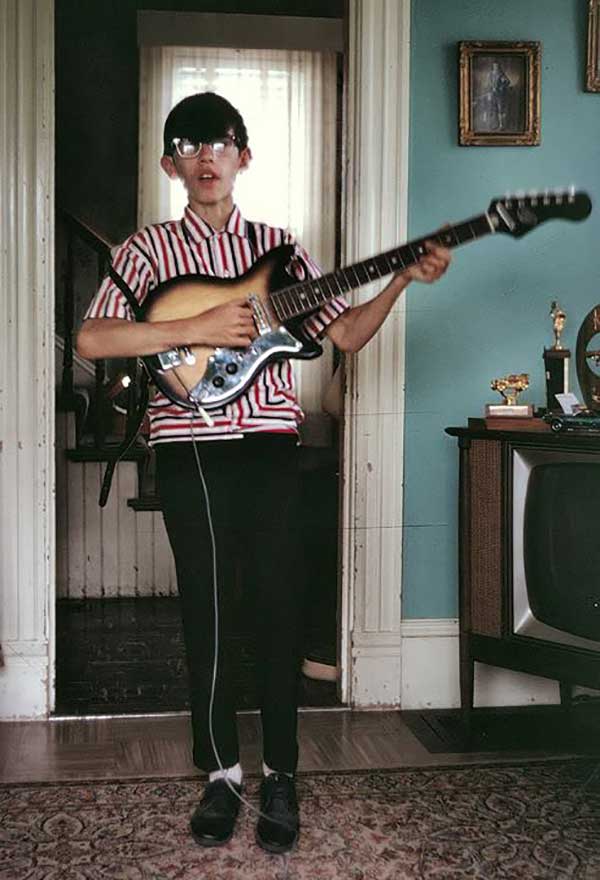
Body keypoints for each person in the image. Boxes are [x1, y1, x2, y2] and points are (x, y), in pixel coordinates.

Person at [77, 92, 451, 854]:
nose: (206, 155)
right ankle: (220, 776)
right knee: (208, 616)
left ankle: (281, 774)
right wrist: (195, 327)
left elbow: (345, 331)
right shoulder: (146, 252)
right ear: (170, 163)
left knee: (280, 609)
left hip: (273, 449)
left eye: (220, 141)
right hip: (192, 454)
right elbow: (92, 336)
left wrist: (403, 279)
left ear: (243, 155)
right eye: (189, 143)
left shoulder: (283, 249)